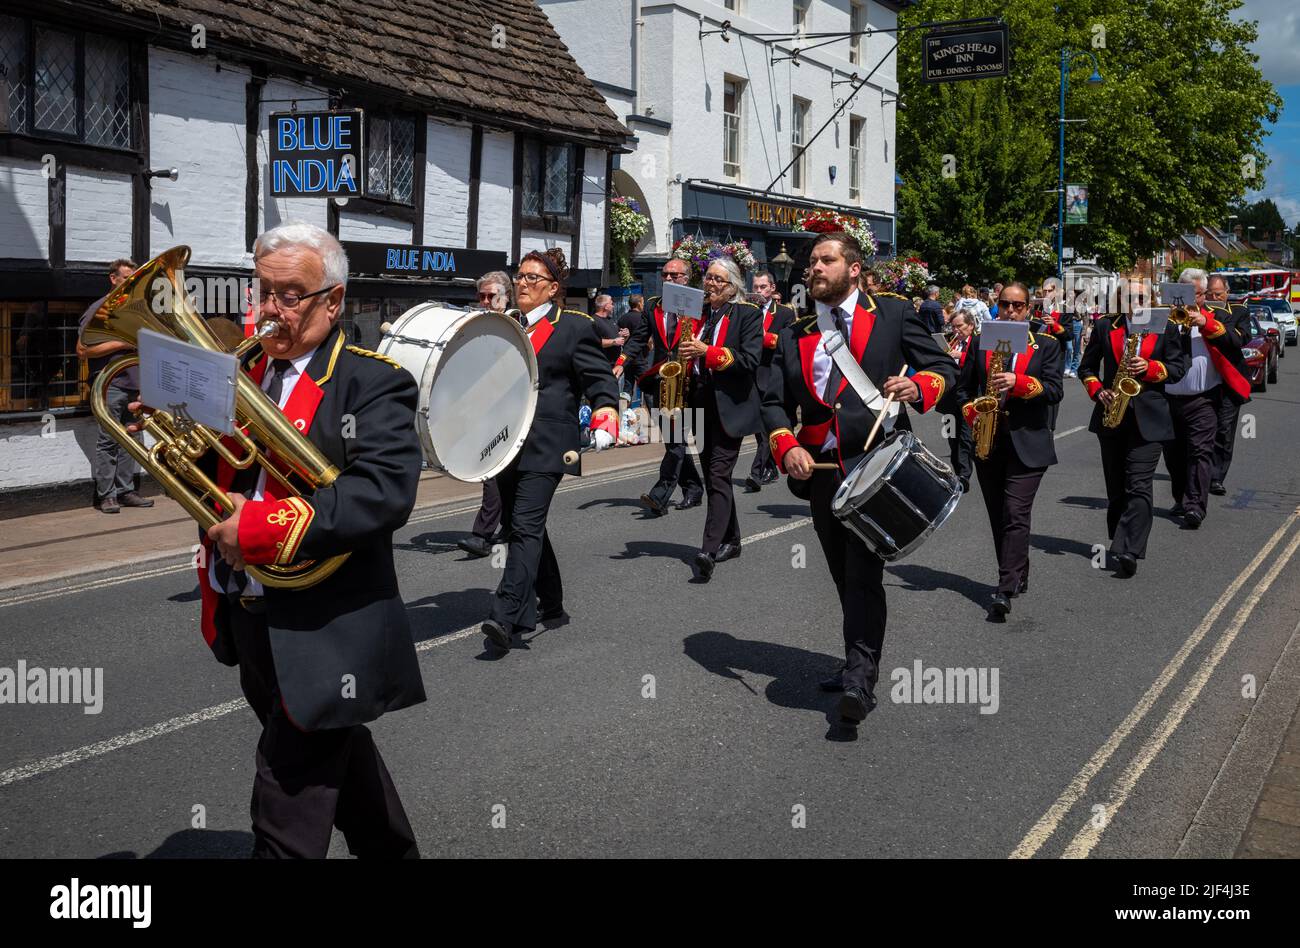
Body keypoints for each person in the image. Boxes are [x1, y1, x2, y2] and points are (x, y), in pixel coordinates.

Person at [136, 222, 427, 857]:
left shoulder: (371, 381)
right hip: (250, 614)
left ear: (333, 301)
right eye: (263, 292)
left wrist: (262, 526)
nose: (271, 310)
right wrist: (168, 426)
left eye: (290, 295)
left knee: (286, 796)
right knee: (342, 771)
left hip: (328, 626)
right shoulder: (236, 368)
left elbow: (384, 493)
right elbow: (207, 466)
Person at [763, 232, 954, 726]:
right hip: (823, 472)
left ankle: (859, 682)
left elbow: (943, 367)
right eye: (811, 262)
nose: (814, 268)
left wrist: (918, 385)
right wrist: (788, 446)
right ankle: (856, 659)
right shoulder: (796, 330)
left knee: (864, 574)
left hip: (876, 466)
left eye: (826, 260)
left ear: (852, 268)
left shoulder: (890, 312)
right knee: (843, 576)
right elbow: (774, 402)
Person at [481, 247, 620, 651]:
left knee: (523, 528)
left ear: (553, 289)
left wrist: (606, 413)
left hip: (549, 445)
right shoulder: (506, 325)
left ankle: (505, 615)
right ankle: (553, 602)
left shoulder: (574, 327)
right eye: (520, 276)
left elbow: (599, 378)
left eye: (532, 279)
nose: (522, 284)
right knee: (522, 525)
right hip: (505, 445)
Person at [957, 283, 1063, 618]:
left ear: (1029, 309)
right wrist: (971, 409)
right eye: (1005, 305)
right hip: (989, 439)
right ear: (996, 307)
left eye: (1018, 306)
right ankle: (1019, 571)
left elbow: (1055, 390)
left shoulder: (1046, 345)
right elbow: (961, 389)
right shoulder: (978, 342)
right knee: (999, 514)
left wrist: (1018, 383)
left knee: (1016, 513)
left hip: (1028, 440)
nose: (1011, 311)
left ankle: (1003, 588)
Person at [1077, 280, 1189, 577]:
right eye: (1129, 296)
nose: (1135, 301)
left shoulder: (1165, 326)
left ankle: (1129, 549)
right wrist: (1098, 390)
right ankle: (1120, 535)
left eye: (1141, 296)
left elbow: (1178, 369)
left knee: (1138, 484)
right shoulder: (1105, 326)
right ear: (1120, 299)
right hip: (1112, 415)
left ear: (1150, 298)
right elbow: (1085, 368)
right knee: (1116, 487)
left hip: (1149, 417)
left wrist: (1150, 368)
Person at [678, 258, 763, 581]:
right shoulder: (698, 316)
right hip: (700, 401)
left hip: (731, 405)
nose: (710, 284)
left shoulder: (748, 314)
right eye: (708, 278)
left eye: (718, 280)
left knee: (717, 474)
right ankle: (733, 539)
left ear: (733, 287)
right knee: (715, 475)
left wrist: (708, 352)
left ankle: (708, 550)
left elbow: (750, 360)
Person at [622, 257, 706, 515]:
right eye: (665, 275)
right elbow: (639, 339)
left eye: (674, 275)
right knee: (674, 440)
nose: (668, 279)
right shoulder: (652, 305)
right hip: (661, 379)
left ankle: (660, 496)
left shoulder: (700, 305)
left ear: (686, 279)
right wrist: (621, 360)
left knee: (676, 440)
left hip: (689, 380)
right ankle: (693, 489)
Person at [77, 258, 154, 514]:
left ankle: (126, 491)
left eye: (133, 279)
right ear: (113, 279)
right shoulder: (100, 309)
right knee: (109, 440)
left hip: (134, 384)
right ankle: (106, 495)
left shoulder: (135, 310)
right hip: (111, 385)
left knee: (132, 438)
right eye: (126, 279)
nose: (130, 283)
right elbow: (82, 349)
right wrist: (122, 344)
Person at [457, 271, 514, 558]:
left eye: (492, 296)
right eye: (481, 296)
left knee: (491, 473)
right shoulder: (476, 325)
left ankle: (481, 535)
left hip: (511, 410)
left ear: (505, 298)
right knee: (497, 474)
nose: (485, 301)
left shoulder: (516, 325)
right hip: (484, 408)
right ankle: (508, 527)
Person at [1203, 273, 1253, 497]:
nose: (1213, 297)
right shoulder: (1197, 312)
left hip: (1228, 380)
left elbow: (1239, 339)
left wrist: (1210, 323)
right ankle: (1200, 472)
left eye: (1218, 294)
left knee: (1224, 430)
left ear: (1227, 293)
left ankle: (1216, 477)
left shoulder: (1240, 312)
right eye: (1209, 294)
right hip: (1203, 379)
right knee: (1201, 430)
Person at [745, 270, 795, 492]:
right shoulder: (746, 311)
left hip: (772, 373)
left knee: (766, 427)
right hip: (750, 374)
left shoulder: (784, 313)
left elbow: (788, 342)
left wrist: (760, 337)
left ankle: (756, 473)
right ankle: (771, 466)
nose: (758, 291)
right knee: (758, 426)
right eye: (755, 287)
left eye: (762, 287)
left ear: (772, 288)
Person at [939, 310, 976, 491]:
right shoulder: (951, 342)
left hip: (967, 397)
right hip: (948, 398)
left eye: (959, 326)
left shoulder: (977, 343)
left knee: (965, 437)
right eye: (953, 327)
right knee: (950, 435)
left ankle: (964, 475)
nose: (956, 330)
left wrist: (959, 356)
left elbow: (980, 363)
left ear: (971, 325)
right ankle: (957, 471)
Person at [591, 293, 626, 367]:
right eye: (611, 304)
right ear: (606, 307)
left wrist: (625, 335)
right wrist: (613, 342)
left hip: (616, 364)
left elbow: (619, 339)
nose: (613, 306)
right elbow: (594, 342)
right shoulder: (593, 321)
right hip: (602, 365)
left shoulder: (610, 320)